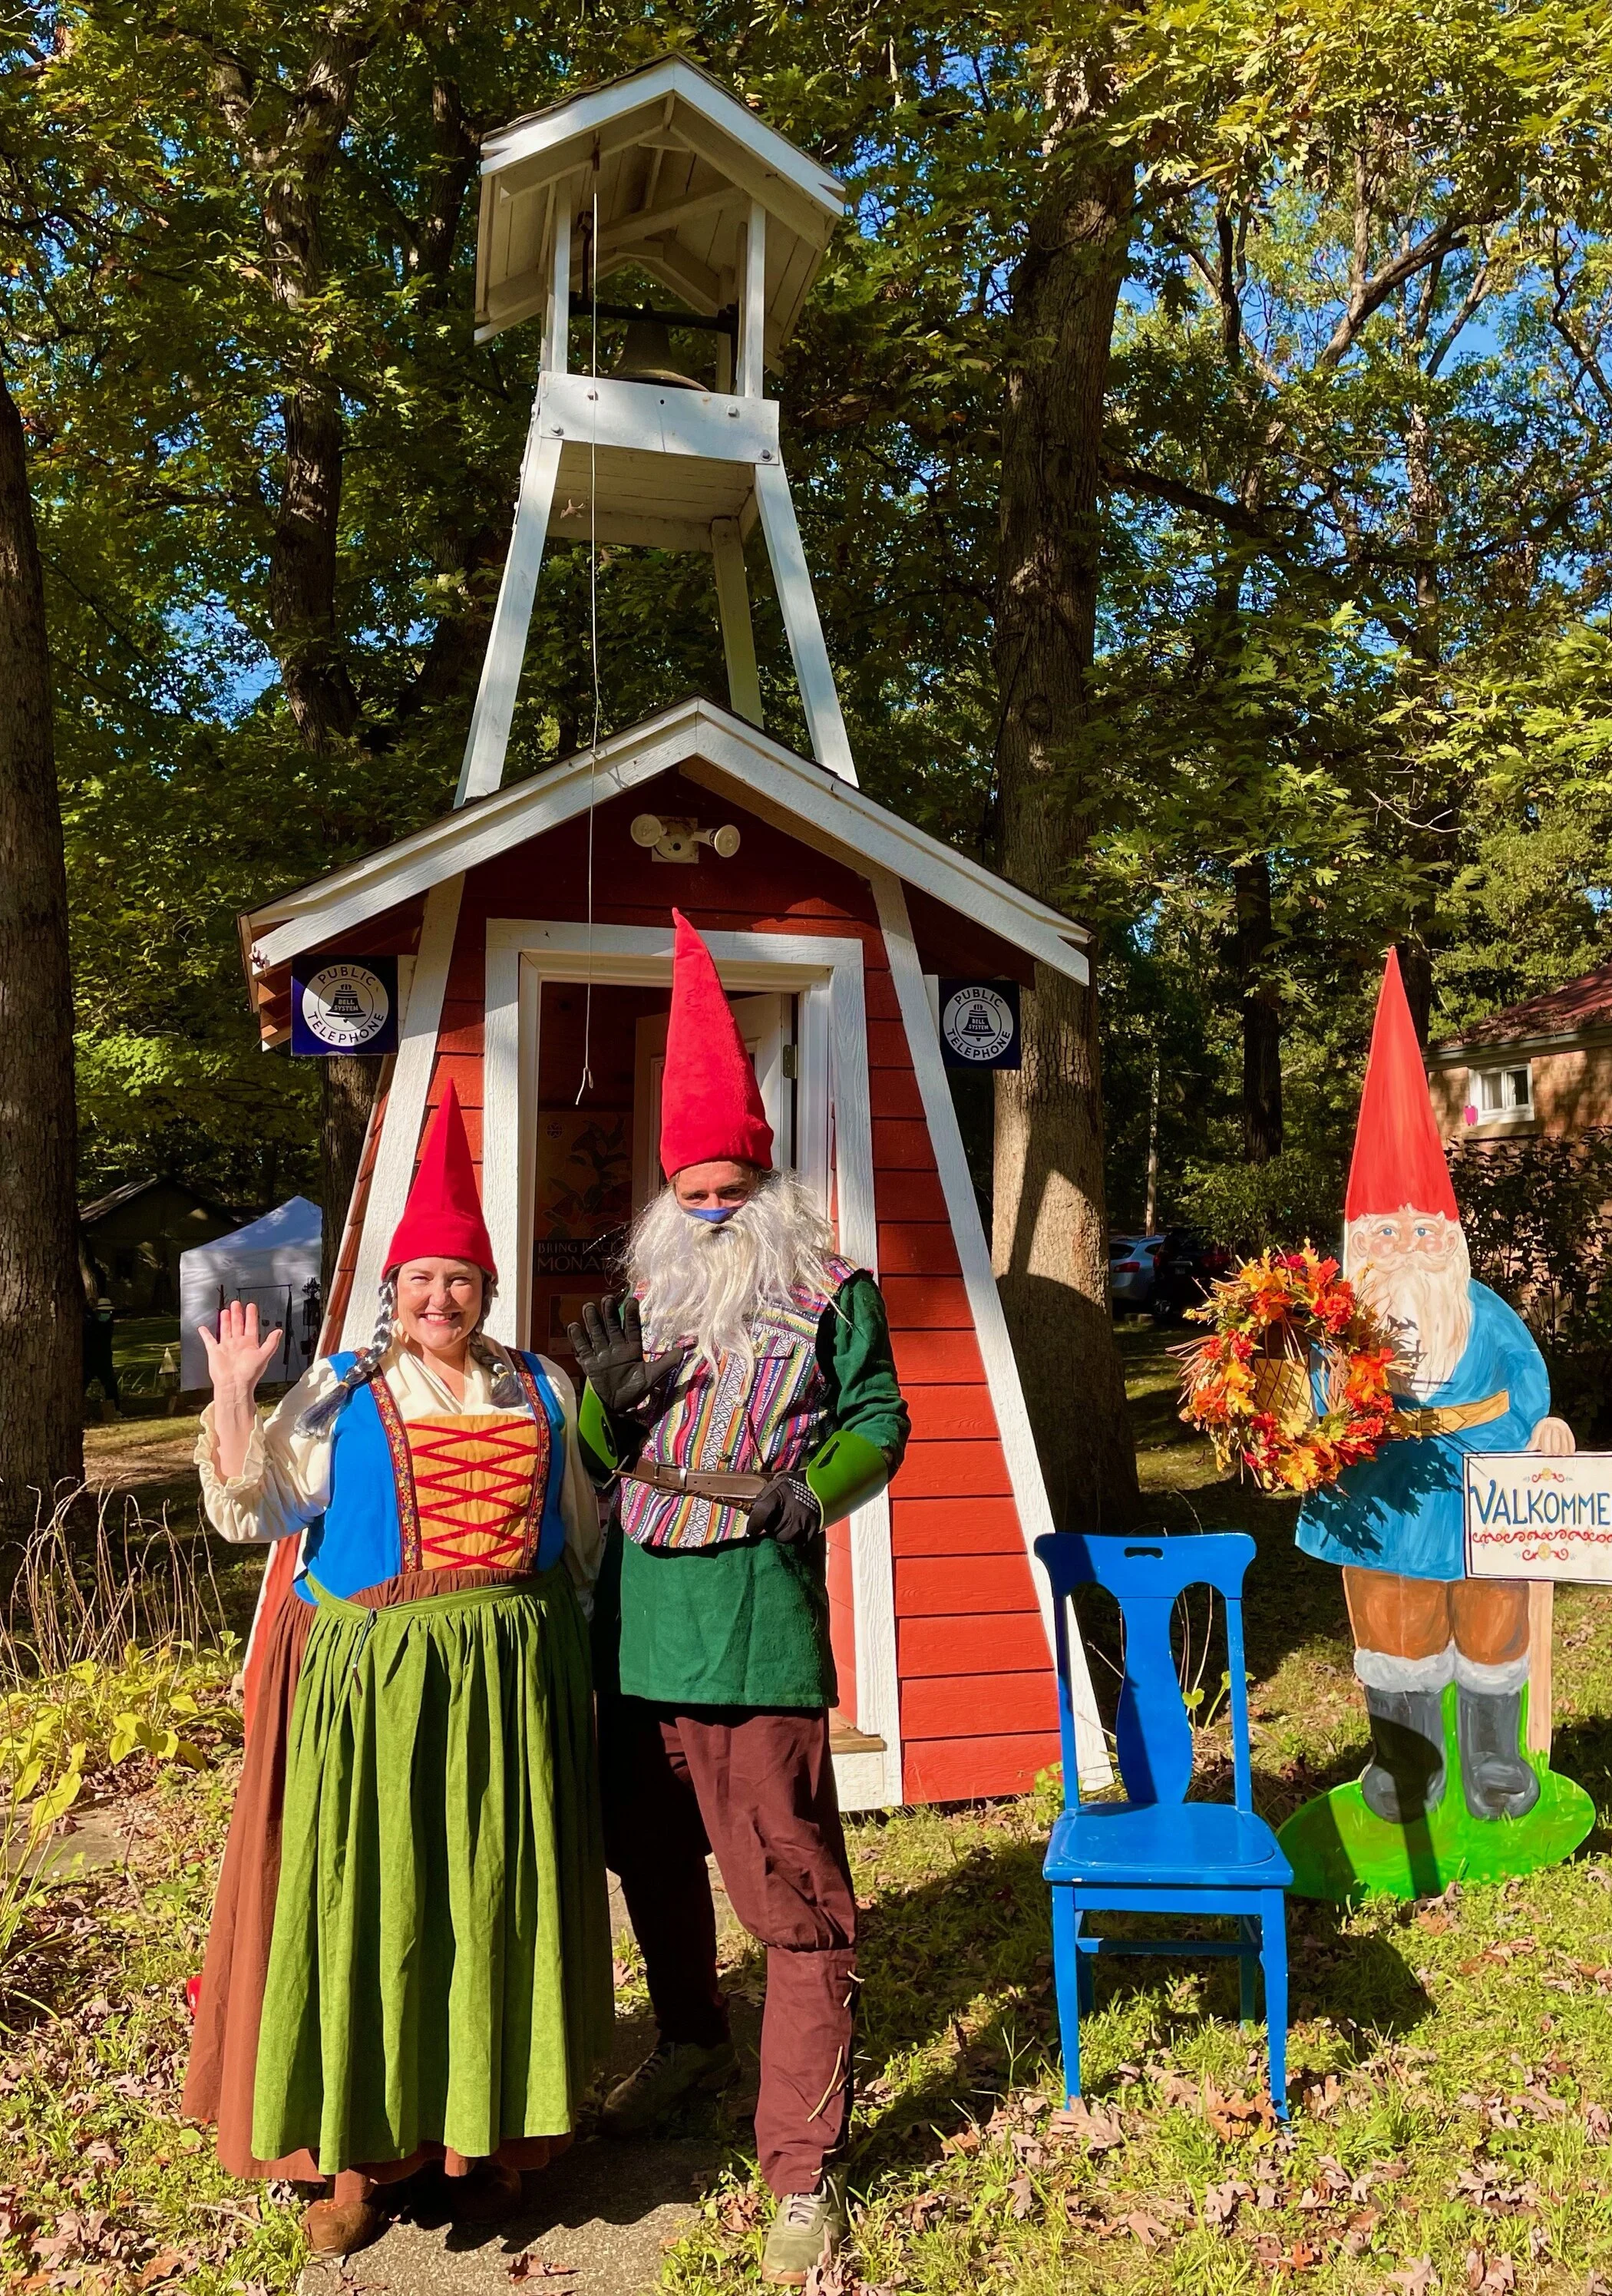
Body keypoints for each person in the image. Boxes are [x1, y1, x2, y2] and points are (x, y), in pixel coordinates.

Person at [183, 1084, 613, 2258]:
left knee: (489, 1900)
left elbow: (577, 1536)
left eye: (461, 1278)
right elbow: (251, 1509)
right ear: (394, 1287)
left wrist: (556, 1660)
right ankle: (351, 2155)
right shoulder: (340, 1387)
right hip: (371, 1687)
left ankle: (485, 2135)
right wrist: (232, 1392)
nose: (441, 1296)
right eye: (422, 1276)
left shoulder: (545, 1386)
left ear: (488, 1289)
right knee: (365, 1905)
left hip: (509, 1682)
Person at [573, 911, 908, 2288]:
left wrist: (809, 1490)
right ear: (668, 1197)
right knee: (646, 1844)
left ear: (765, 1184)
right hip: (638, 1614)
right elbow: (593, 1464)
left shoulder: (832, 1287)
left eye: (731, 1189)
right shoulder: (640, 1297)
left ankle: (799, 2169)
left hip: (759, 1612)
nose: (712, 1209)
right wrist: (601, 1407)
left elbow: (884, 1416)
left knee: (789, 1884)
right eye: (693, 1192)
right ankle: (694, 2039)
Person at [1296, 953, 1574, 1823]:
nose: (1409, 1246)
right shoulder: (1334, 1314)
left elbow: (1528, 1382)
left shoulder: (1483, 1312)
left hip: (1484, 1489)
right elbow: (1302, 1393)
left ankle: (1495, 1762)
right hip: (1378, 1493)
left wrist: (1549, 1430)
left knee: (1492, 1625)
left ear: (1449, 1237)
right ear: (1360, 1239)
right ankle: (1407, 1768)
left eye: (1425, 1231)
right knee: (1395, 1630)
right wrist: (1297, 1425)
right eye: (1389, 1231)